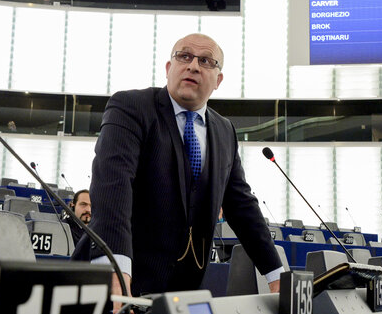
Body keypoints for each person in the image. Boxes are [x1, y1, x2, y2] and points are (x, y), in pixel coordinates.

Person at [73, 33, 283, 298]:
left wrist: (276, 275)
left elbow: (242, 206)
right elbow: (113, 188)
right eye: (184, 56)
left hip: (182, 294)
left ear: (218, 80)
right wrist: (115, 270)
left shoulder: (224, 130)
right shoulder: (130, 107)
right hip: (114, 285)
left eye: (206, 60)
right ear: (169, 68)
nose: (193, 65)